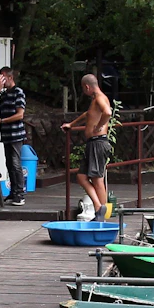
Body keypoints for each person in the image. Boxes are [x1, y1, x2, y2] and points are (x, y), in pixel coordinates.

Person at [62, 73, 113, 220]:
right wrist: (71, 124)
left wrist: (100, 125)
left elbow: (108, 112)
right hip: (92, 143)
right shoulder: (95, 100)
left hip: (98, 142)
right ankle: (98, 207)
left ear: (87, 86)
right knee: (81, 177)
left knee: (97, 179)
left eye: (83, 89)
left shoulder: (100, 98)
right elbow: (87, 114)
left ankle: (102, 212)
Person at [0, 66, 29, 206]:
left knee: (15, 163)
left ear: (10, 77)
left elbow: (20, 114)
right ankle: (13, 192)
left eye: (3, 77)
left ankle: (20, 194)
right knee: (9, 163)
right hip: (6, 133)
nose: (1, 81)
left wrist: (2, 121)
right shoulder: (3, 94)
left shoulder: (18, 92)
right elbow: (3, 115)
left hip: (16, 134)